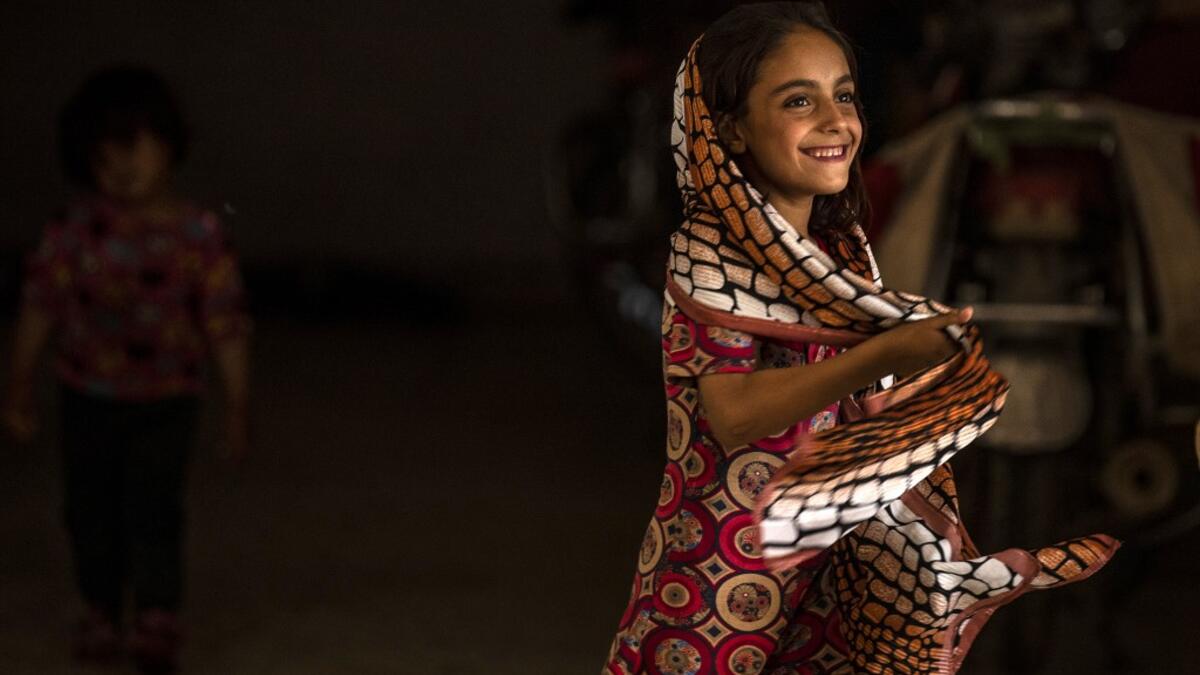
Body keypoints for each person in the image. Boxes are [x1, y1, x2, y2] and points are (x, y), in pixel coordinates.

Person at [603, 3, 1116, 674]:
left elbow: (861, 408)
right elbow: (732, 412)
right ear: (727, 127)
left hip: (827, 574)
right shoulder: (711, 255)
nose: (834, 121)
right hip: (719, 579)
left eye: (843, 95)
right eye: (797, 100)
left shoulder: (838, 251)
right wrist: (885, 356)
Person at [2, 65, 251, 674]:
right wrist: (17, 383)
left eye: (133, 146)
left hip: (168, 398)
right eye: (103, 154)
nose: (120, 166)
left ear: (168, 143)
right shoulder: (74, 231)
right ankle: (101, 607)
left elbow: (225, 323)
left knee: (153, 505)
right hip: (87, 394)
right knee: (88, 509)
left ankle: (157, 611)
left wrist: (238, 405)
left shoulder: (199, 236)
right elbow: (41, 305)